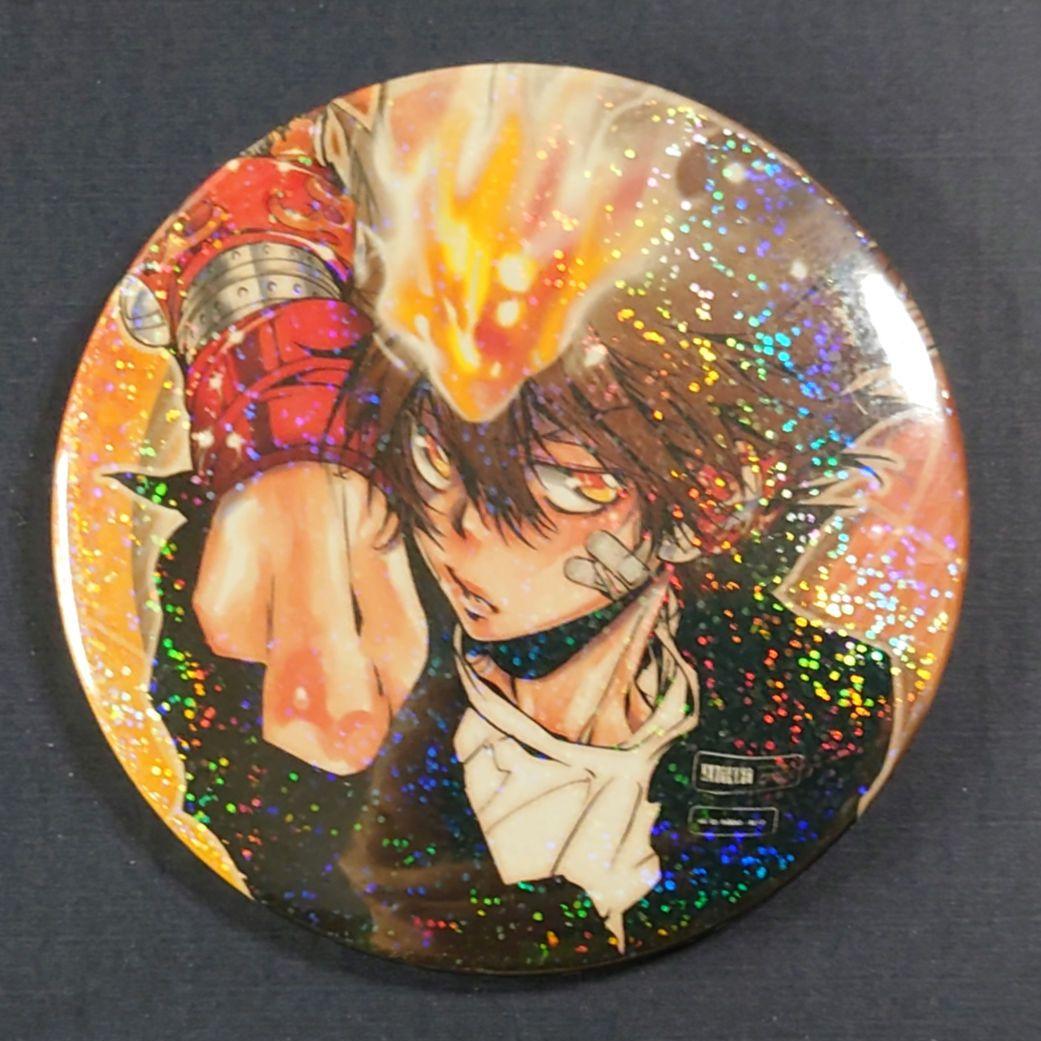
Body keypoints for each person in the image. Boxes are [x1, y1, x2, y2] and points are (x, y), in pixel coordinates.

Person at [120, 83, 898, 969]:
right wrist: (282, 411)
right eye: (432, 459)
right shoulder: (312, 653)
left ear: (701, 506)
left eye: (567, 483)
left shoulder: (811, 704)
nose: (459, 530)